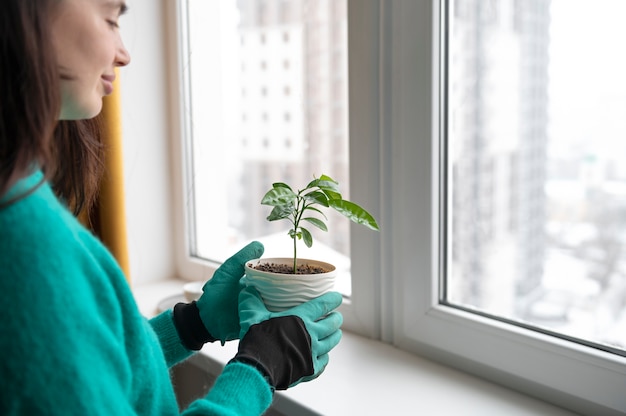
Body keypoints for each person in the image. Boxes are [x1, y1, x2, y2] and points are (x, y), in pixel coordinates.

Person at [0, 1, 343, 415]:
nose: (123, 53)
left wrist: (192, 324)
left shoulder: (23, 198)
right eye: (111, 19)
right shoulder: (25, 251)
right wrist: (259, 369)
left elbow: (85, 377)